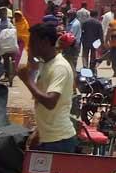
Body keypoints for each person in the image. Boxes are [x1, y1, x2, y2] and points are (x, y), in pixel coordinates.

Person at [18, 23, 77, 152]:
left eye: (32, 42)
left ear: (44, 42)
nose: (29, 46)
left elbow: (50, 102)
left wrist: (28, 81)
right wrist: (39, 132)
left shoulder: (59, 67)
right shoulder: (46, 65)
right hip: (49, 138)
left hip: (59, 141)